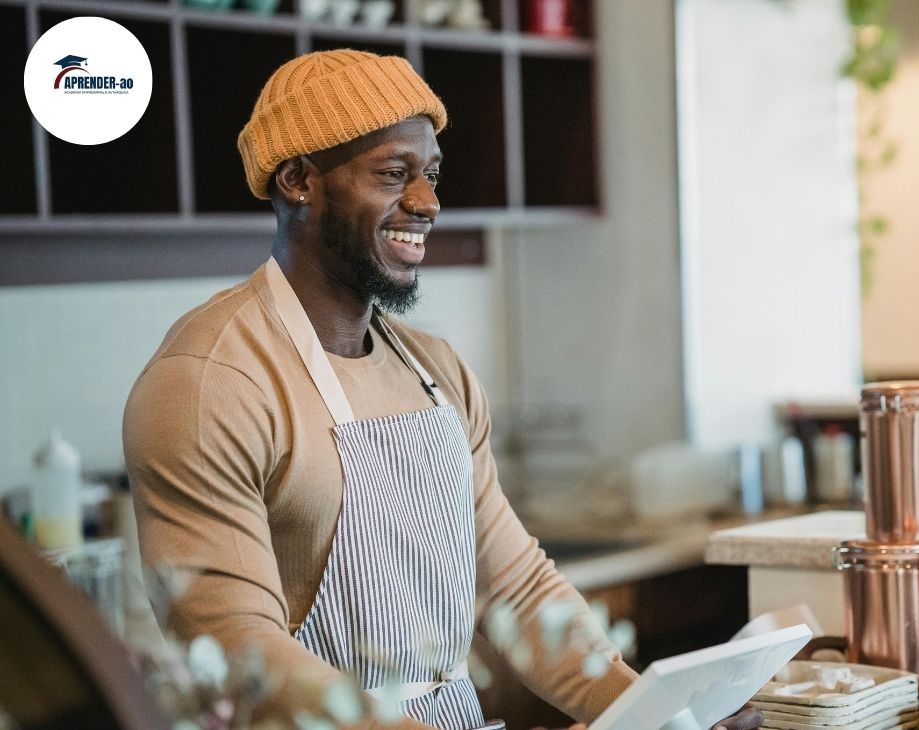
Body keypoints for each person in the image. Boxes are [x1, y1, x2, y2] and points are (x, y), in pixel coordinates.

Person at [125, 49, 762, 730]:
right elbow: (237, 651)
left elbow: (518, 589)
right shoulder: (207, 383)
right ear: (298, 180)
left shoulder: (437, 374)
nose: (427, 203)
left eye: (430, 174)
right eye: (394, 173)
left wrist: (658, 717)